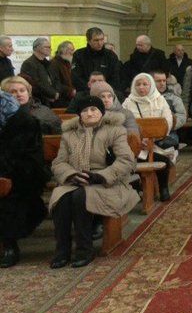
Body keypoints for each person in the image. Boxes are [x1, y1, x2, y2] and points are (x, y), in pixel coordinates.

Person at [49, 95, 138, 268]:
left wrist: (100, 176)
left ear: (101, 112)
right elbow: (59, 163)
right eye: (84, 110)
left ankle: (84, 249)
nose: (89, 113)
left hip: (108, 182)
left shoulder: (115, 130)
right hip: (76, 179)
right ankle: (62, 250)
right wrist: (71, 175)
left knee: (80, 197)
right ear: (79, 114)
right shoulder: (69, 134)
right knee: (61, 197)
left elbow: (126, 161)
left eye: (93, 109)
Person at [0, 92, 50, 268]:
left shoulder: (24, 122)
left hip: (22, 175)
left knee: (9, 198)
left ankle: (10, 245)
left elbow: (31, 157)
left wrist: (6, 175)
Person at [123, 73, 174, 201]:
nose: (141, 87)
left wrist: (153, 137)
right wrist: (138, 140)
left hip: (156, 143)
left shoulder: (159, 100)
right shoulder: (128, 102)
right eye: (138, 84)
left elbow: (167, 122)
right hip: (135, 147)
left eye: (145, 84)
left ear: (151, 85)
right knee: (135, 161)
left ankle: (163, 188)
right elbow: (122, 124)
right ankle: (139, 188)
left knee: (164, 161)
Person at [71, 27, 124, 97]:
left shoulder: (111, 55)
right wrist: (91, 90)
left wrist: (105, 90)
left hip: (107, 94)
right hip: (85, 93)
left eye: (102, 39)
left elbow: (115, 77)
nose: (100, 43)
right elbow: (76, 77)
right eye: (96, 40)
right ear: (89, 41)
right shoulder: (79, 55)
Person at [151, 71, 185, 161]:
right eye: (158, 81)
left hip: (169, 133)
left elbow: (181, 116)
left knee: (169, 157)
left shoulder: (174, 97)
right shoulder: (145, 98)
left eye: (164, 81)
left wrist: (169, 126)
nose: (162, 83)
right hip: (148, 135)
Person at [20, 38, 58, 107]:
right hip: (39, 101)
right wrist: (52, 94)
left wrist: (56, 93)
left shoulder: (48, 63)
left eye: (50, 47)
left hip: (52, 99)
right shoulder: (29, 63)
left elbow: (54, 80)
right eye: (47, 47)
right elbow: (35, 84)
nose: (50, 49)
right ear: (37, 48)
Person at [50, 40, 76, 108]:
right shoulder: (54, 64)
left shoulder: (67, 63)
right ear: (64, 51)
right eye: (71, 50)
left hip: (70, 99)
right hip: (60, 101)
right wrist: (71, 91)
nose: (73, 52)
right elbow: (55, 84)